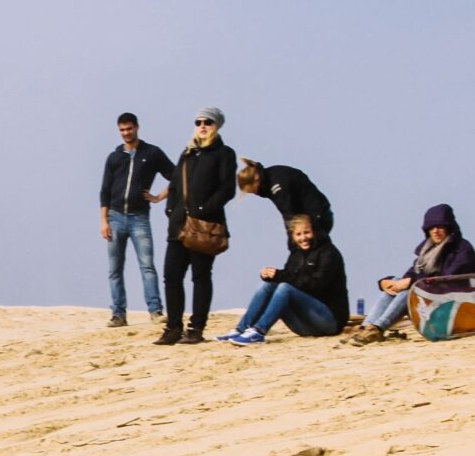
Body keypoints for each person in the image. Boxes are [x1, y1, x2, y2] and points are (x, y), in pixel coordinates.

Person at [157, 107, 237, 345]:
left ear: (217, 126)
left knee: (200, 276)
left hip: (204, 226)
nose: (203, 126)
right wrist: (171, 210)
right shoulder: (187, 153)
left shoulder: (224, 154)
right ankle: (172, 328)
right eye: (199, 121)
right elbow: (174, 184)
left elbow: (227, 189)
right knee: (171, 276)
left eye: (208, 122)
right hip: (179, 226)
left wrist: (204, 210)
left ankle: (196, 328)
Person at [356, 204, 475, 340]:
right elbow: (411, 274)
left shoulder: (462, 249)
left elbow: (447, 279)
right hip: (431, 300)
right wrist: (385, 282)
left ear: (449, 228)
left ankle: (378, 328)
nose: (436, 231)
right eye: (432, 228)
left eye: (440, 227)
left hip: (453, 304)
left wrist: (410, 282)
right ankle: (366, 327)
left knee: (411, 289)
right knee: (398, 285)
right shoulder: (428, 251)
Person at [219, 213, 347, 343]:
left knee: (285, 288)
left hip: (329, 322)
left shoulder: (328, 253)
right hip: (305, 326)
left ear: (314, 231)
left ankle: (259, 331)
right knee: (268, 286)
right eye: (298, 234)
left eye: (307, 232)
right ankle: (241, 329)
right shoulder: (296, 254)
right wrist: (270, 275)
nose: (303, 238)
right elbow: (289, 276)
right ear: (292, 236)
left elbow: (315, 285)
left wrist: (279, 276)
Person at [97, 112, 174, 327]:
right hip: (115, 217)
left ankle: (155, 310)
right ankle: (118, 314)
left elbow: (176, 175)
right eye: (122, 130)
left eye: (129, 129)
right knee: (115, 269)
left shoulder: (152, 153)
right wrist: (104, 221)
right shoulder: (114, 158)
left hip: (139, 218)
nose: (126, 133)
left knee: (147, 265)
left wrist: (160, 196)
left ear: (137, 127)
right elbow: (104, 191)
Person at [236, 157, 334, 237]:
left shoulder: (277, 185)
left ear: (256, 180)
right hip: (316, 216)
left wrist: (292, 245)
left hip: (318, 218)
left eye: (252, 191)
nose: (255, 194)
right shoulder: (270, 177)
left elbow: (289, 216)